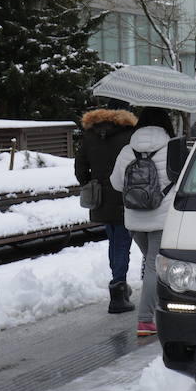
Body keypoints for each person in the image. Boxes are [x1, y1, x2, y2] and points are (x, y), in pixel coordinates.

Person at [110, 107, 180, 336]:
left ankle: (159, 306)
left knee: (153, 264)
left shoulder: (126, 150)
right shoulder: (173, 147)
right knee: (154, 266)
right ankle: (146, 319)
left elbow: (116, 183)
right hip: (162, 218)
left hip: (134, 220)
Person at [74, 101, 138, 314]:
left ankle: (118, 285)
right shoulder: (128, 134)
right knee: (121, 242)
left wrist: (91, 184)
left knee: (114, 240)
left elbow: (80, 167)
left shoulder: (91, 134)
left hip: (100, 196)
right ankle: (118, 291)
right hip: (123, 195)